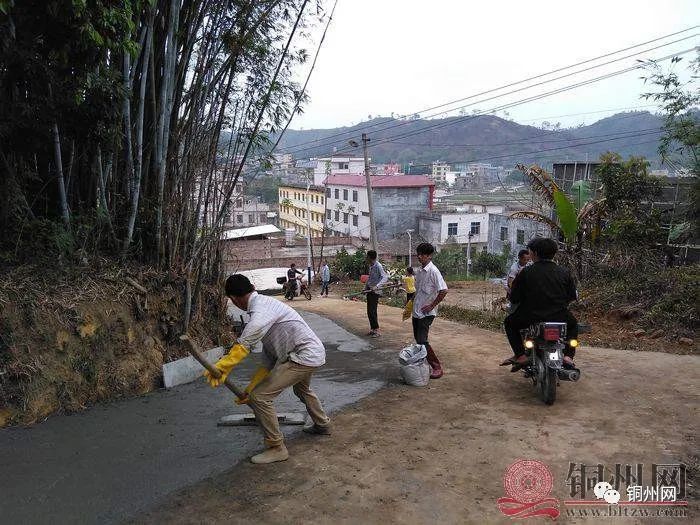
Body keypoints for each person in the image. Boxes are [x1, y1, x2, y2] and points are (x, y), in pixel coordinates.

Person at [205, 274, 331, 464]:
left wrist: (223, 365)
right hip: (310, 353)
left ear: (233, 299)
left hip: (303, 356)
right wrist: (250, 388)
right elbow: (268, 362)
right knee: (301, 388)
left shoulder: (260, 310)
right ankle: (322, 424)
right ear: (252, 286)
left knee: (261, 398)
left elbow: (246, 341)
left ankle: (276, 447)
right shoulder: (264, 305)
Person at [502, 237, 579, 372]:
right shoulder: (564, 272)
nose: (529, 254)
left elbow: (514, 298)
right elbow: (572, 296)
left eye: (530, 251)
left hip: (531, 316)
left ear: (535, 253)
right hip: (559, 316)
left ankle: (520, 356)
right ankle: (568, 356)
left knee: (509, 323)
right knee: (573, 325)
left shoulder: (526, 272)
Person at [412, 243, 448, 379]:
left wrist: (432, 305)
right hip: (416, 312)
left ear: (429, 256)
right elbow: (418, 291)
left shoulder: (433, 271)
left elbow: (444, 290)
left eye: (422, 254)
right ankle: (423, 363)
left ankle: (437, 366)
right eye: (418, 254)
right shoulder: (420, 272)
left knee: (422, 340)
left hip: (426, 314)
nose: (419, 257)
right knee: (418, 340)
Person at [364, 249, 388, 337]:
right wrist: (365, 288)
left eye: (367, 257)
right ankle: (373, 329)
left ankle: (377, 330)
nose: (366, 258)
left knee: (372, 311)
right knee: (369, 311)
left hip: (375, 291)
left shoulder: (378, 266)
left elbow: (385, 277)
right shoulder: (371, 266)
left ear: (370, 257)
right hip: (370, 290)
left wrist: (377, 286)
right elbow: (369, 279)